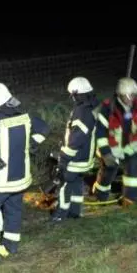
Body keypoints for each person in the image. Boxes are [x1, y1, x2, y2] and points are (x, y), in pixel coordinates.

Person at [0, 82, 49, 264]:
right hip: (21, 180)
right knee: (13, 211)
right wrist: (34, 142)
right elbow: (44, 128)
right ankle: (11, 246)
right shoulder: (25, 117)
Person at [92, 77, 137, 206]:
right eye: (126, 96)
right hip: (113, 148)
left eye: (133, 95)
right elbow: (100, 133)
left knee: (133, 174)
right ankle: (100, 195)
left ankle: (129, 199)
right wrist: (105, 153)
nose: (130, 99)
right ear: (119, 95)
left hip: (133, 146)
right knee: (109, 172)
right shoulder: (108, 108)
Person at [50, 76, 97, 222]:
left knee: (65, 185)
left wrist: (63, 156)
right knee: (76, 184)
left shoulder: (81, 112)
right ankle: (75, 212)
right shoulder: (93, 106)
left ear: (76, 94)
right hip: (86, 158)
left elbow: (76, 139)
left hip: (76, 159)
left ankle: (60, 214)